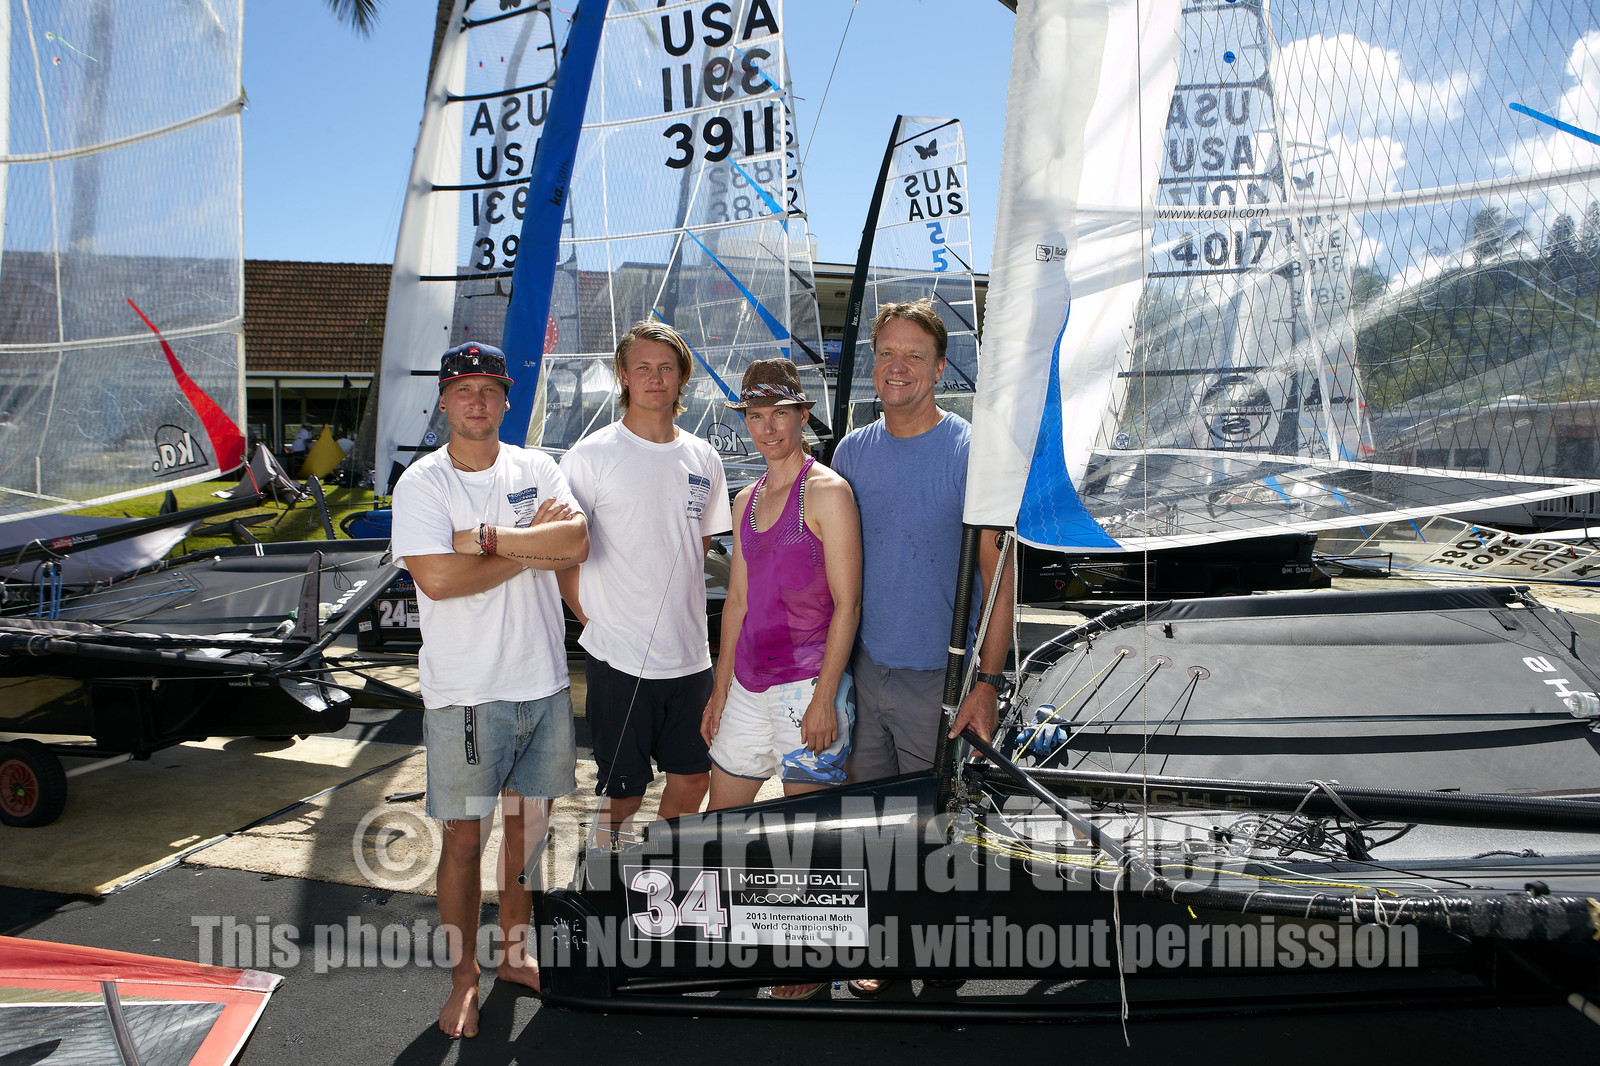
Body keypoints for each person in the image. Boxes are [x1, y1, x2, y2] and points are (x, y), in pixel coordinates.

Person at [389, 341, 589, 1039]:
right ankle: (463, 979)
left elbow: (575, 542)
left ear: (507, 399)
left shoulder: (537, 466)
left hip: (543, 685)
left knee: (527, 838)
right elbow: (440, 580)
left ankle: (513, 953)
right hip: (466, 695)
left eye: (489, 389)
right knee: (465, 845)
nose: (477, 401)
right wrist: (527, 546)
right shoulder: (422, 483)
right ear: (444, 400)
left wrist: (485, 539)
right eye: (463, 389)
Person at [832, 299, 1012, 997]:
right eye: (887, 353)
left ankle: (939, 947)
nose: (897, 367)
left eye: (914, 355)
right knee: (870, 819)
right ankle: (884, 943)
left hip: (938, 678)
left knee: (939, 823)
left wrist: (988, 684)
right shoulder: (851, 452)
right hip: (863, 671)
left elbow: (1001, 578)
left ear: (940, 369)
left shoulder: (972, 452)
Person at [699, 358, 861, 1001]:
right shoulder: (745, 499)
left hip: (807, 683)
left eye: (780, 415)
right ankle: (725, 937)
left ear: (802, 416)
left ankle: (811, 959)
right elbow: (737, 601)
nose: (767, 428)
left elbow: (848, 604)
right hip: (748, 682)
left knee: (805, 832)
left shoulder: (827, 492)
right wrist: (719, 690)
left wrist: (824, 699)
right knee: (722, 819)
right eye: (756, 416)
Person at [557, 322, 731, 844]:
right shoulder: (590, 456)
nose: (655, 378)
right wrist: (592, 621)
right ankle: (600, 878)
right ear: (624, 376)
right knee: (624, 795)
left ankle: (656, 875)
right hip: (619, 657)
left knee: (693, 780)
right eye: (643, 367)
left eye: (666, 368)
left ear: (682, 378)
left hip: (690, 658)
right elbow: (565, 555)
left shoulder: (704, 457)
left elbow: (697, 545)